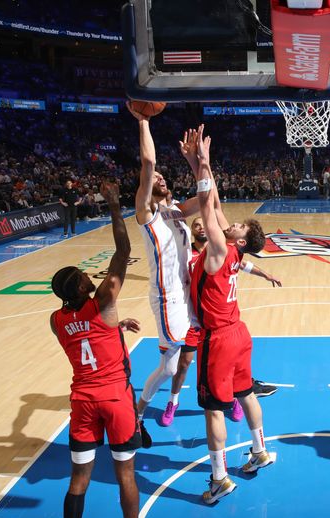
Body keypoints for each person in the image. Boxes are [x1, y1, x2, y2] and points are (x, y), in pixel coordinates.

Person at [188, 125, 275, 504]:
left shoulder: (222, 250)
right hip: (240, 333)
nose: (233, 222)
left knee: (213, 410)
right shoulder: (235, 251)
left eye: (237, 227)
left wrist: (200, 169)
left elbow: (208, 208)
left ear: (238, 240)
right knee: (246, 393)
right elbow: (217, 206)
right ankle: (259, 451)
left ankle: (220, 478)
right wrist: (202, 164)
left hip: (219, 338)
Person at [49, 182, 142, 518]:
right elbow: (123, 249)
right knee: (125, 475)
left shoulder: (57, 320)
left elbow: (86, 336)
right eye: (84, 274)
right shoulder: (102, 301)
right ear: (81, 286)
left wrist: (115, 327)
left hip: (83, 400)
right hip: (116, 396)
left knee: (78, 479)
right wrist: (116, 205)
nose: (90, 273)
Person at [165, 216, 282, 425]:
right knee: (183, 365)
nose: (201, 226)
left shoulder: (221, 248)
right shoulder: (185, 252)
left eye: (204, 223)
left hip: (214, 324)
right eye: (196, 224)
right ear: (192, 231)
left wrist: (265, 274)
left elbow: (242, 264)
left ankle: (234, 399)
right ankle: (173, 401)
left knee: (227, 372)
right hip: (194, 319)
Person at [126, 102, 201, 431]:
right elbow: (148, 161)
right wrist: (144, 122)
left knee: (183, 361)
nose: (159, 176)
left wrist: (197, 162)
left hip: (189, 292)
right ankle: (140, 408)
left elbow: (209, 196)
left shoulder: (177, 211)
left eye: (162, 176)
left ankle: (235, 389)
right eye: (153, 178)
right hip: (168, 296)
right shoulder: (147, 213)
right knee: (172, 366)